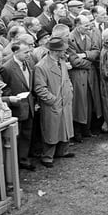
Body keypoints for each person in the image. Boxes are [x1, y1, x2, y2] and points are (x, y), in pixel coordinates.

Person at [34, 37, 75, 168]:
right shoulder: (41, 66)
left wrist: (70, 91)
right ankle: (47, 157)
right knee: (51, 131)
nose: (66, 53)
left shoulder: (61, 61)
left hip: (65, 101)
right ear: (56, 51)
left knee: (65, 128)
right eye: (63, 50)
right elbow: (40, 88)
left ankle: (62, 151)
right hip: (53, 104)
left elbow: (66, 79)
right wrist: (53, 100)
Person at [1, 41, 36, 171]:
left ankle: (24, 159)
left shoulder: (29, 63)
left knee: (27, 134)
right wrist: (14, 99)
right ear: (15, 52)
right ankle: (15, 162)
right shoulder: (7, 68)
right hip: (17, 106)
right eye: (25, 52)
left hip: (29, 105)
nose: (29, 54)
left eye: (29, 51)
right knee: (18, 135)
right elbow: (5, 88)